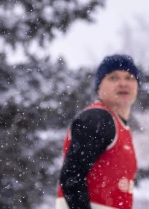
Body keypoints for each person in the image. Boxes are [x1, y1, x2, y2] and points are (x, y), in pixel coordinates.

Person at [56, 54, 140, 209]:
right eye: (113, 78)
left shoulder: (121, 126)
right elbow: (71, 177)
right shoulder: (97, 118)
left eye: (129, 77)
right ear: (99, 86)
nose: (123, 83)